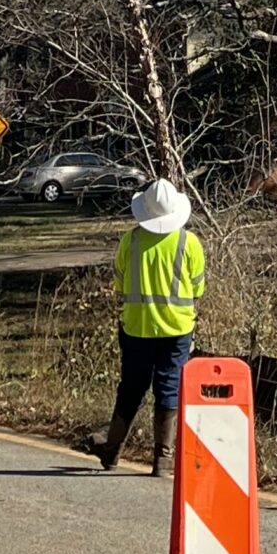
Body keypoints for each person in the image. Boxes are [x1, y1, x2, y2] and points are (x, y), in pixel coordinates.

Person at [91, 177, 205, 475]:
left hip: (137, 328)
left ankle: (112, 451)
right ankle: (162, 459)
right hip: (177, 328)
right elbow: (197, 288)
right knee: (168, 387)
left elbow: (119, 283)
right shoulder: (188, 242)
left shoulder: (131, 240)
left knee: (131, 388)